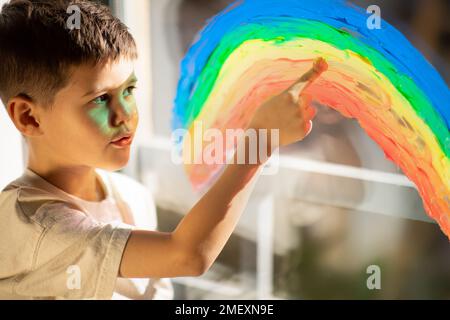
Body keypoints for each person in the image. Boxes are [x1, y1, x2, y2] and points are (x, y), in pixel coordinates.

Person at [0, 0, 326, 299]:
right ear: (28, 116)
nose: (125, 115)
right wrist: (261, 140)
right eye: (100, 99)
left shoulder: (131, 195)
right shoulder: (32, 225)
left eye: (129, 90)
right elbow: (187, 254)